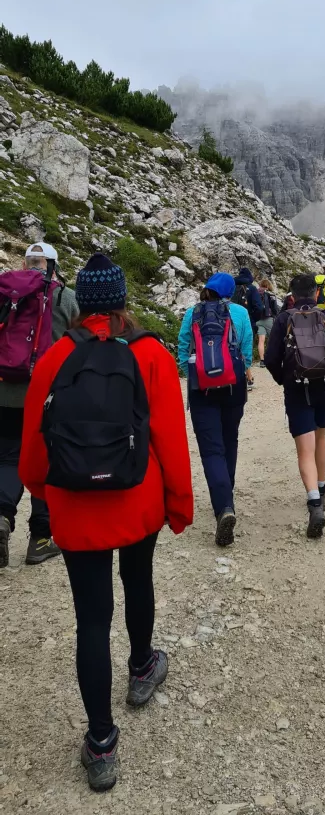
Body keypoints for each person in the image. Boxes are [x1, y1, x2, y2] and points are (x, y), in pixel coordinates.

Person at [19, 252, 193, 792]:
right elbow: (169, 441)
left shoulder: (54, 359)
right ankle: (142, 667)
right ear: (120, 300)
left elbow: (31, 461)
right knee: (138, 579)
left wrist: (50, 492)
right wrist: (179, 506)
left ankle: (100, 744)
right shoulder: (151, 355)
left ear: (82, 305)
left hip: (75, 508)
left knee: (91, 620)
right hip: (137, 503)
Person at [0, 241, 79, 568]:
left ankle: (2, 517)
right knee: (44, 462)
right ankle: (40, 538)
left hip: (4, 391)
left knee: (7, 458)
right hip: (45, 397)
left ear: (26, 262)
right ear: (53, 265)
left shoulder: (6, 292)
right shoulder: (65, 297)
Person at [264, 273, 325, 538]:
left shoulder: (284, 319)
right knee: (321, 436)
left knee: (305, 447)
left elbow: (270, 359)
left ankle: (314, 502)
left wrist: (285, 380)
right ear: (316, 294)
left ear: (291, 295)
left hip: (297, 390)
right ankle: (323, 489)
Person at [179, 272, 253, 547]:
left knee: (211, 449)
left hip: (202, 389)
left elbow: (183, 348)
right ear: (230, 292)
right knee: (229, 439)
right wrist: (242, 370)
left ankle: (224, 506)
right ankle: (227, 497)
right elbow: (246, 349)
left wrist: (192, 373)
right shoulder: (241, 313)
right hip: (234, 387)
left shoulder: (193, 313)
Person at [232, 267, 262, 389]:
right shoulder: (252, 288)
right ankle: (245, 379)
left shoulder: (232, 288)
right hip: (248, 321)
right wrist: (254, 318)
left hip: (231, 322)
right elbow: (259, 307)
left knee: (232, 348)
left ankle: (241, 376)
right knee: (245, 349)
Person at [255, 277, 278, 367]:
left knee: (261, 340)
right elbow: (275, 308)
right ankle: (273, 359)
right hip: (268, 319)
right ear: (269, 286)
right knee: (273, 340)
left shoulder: (256, 293)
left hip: (258, 320)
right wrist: (276, 317)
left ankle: (262, 361)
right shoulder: (271, 294)